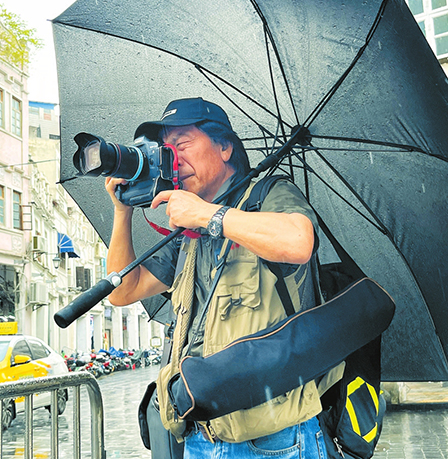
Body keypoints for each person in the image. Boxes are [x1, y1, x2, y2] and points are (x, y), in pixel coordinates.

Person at [105, 97, 329, 458]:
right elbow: (123, 290)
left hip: (275, 438)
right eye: (166, 150)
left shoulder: (267, 196)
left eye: (182, 143)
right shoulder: (188, 236)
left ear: (225, 147)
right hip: (201, 437)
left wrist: (209, 215)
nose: (173, 157)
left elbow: (298, 241)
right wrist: (122, 212)